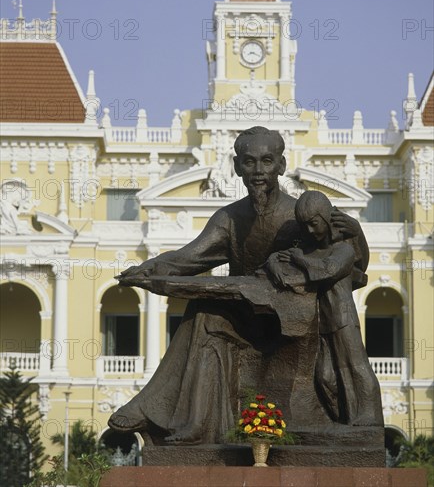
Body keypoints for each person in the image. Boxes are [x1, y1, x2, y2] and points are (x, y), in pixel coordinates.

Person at [108, 127, 370, 443]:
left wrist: (356, 235)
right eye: (249, 162)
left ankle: (158, 411)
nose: (258, 171)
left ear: (282, 165)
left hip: (294, 321)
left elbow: (351, 265)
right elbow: (188, 257)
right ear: (237, 167)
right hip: (248, 317)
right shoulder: (230, 218)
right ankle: (195, 425)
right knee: (204, 313)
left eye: (267, 161)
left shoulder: (300, 213)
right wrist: (149, 269)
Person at [267, 190, 383, 426]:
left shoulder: (344, 251)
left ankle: (369, 416)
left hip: (343, 319)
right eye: (305, 226)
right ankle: (344, 418)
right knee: (325, 376)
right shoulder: (311, 252)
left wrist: (299, 259)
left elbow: (324, 271)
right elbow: (278, 257)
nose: (310, 231)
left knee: (356, 366)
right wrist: (273, 264)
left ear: (326, 218)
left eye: (313, 224)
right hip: (321, 322)